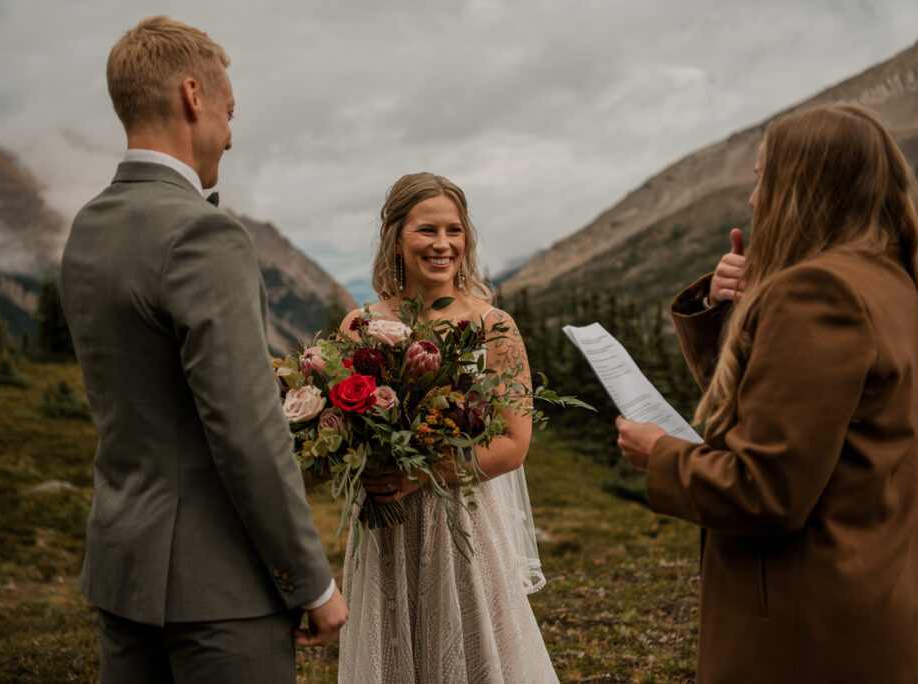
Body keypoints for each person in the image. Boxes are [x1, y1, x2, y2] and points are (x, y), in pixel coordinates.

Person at [60, 16, 346, 683]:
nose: (230, 132)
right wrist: (312, 583)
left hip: (122, 576)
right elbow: (245, 432)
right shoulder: (202, 234)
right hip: (220, 596)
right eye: (228, 111)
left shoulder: (88, 227)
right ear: (194, 97)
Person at [615, 104, 918, 683]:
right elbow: (777, 412)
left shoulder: (816, 293)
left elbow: (766, 490)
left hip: (807, 627)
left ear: (802, 184)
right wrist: (729, 315)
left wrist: (659, 454)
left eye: (764, 176)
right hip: (874, 599)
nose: (753, 198)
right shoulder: (890, 280)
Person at [334, 172, 558, 683]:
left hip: (465, 524)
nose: (442, 244)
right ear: (396, 238)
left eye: (453, 231)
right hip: (385, 528)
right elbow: (344, 428)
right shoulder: (358, 327)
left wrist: (420, 474)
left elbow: (513, 444)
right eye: (426, 230)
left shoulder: (492, 326)